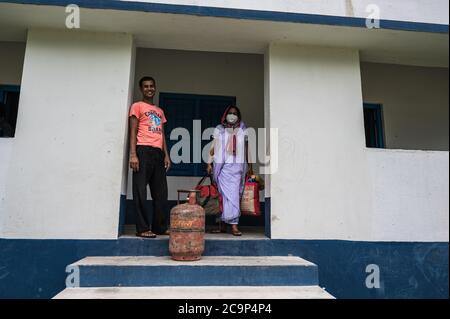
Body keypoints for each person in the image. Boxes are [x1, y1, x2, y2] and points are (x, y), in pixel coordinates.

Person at [129, 76, 171, 238]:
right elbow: (133, 130)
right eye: (146, 86)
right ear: (141, 89)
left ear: (155, 88)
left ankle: (159, 227)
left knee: (161, 193)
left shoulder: (160, 111)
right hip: (142, 150)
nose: (149, 89)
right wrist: (133, 154)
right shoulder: (137, 106)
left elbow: (162, 135)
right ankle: (142, 228)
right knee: (140, 190)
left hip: (158, 153)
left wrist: (166, 155)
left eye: (152, 86)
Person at [207, 106, 248, 236]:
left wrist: (251, 167)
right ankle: (223, 226)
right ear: (225, 115)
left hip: (237, 167)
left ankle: (234, 225)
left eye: (235, 113)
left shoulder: (242, 129)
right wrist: (209, 162)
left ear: (239, 116)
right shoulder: (220, 129)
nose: (232, 115)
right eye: (230, 113)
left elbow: (247, 148)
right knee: (222, 197)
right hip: (222, 168)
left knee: (234, 196)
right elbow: (213, 147)